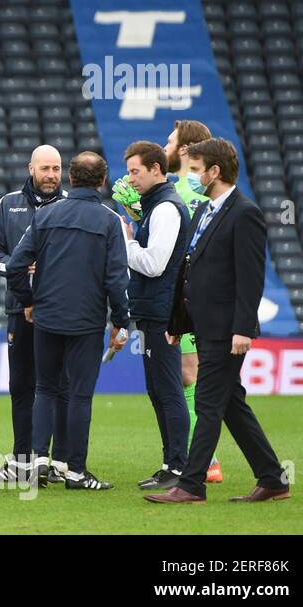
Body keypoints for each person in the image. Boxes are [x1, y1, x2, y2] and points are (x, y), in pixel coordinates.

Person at [145, 139, 290, 504]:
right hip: (204, 326)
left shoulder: (245, 213)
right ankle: (272, 478)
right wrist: (179, 323)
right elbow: (190, 271)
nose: (189, 176)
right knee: (229, 404)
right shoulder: (205, 210)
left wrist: (243, 328)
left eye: (194, 169)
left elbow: (250, 277)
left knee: (209, 404)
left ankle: (192, 484)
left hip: (227, 330)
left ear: (215, 171)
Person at [7, 152, 129, 491]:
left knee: (44, 389)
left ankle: (40, 461)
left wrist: (28, 300)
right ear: (102, 181)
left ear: (70, 179)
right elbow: (116, 278)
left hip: (46, 317)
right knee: (79, 395)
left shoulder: (46, 214)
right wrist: (120, 320)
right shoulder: (109, 221)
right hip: (87, 321)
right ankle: (75, 471)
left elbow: (16, 265)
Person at [0, 145, 70, 484]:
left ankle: (58, 463)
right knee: (21, 386)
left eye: (57, 168)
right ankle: (21, 460)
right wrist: (16, 267)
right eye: (45, 168)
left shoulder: (71, 205)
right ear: (31, 168)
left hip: (60, 310)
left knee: (61, 387)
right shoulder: (8, 204)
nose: (51, 175)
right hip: (20, 308)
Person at [120, 141, 192, 491]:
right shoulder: (157, 206)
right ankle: (171, 463)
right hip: (153, 311)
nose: (130, 178)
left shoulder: (165, 208)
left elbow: (154, 263)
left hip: (162, 313)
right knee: (158, 390)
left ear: (156, 169)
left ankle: (178, 466)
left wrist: (127, 242)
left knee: (167, 389)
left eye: (135, 171)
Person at [159, 119, 221, 483]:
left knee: (189, 373)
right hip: (185, 296)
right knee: (189, 376)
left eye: (170, 141)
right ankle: (198, 457)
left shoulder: (186, 191)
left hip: (189, 297)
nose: (165, 146)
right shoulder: (181, 189)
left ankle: (204, 460)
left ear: (183, 149)